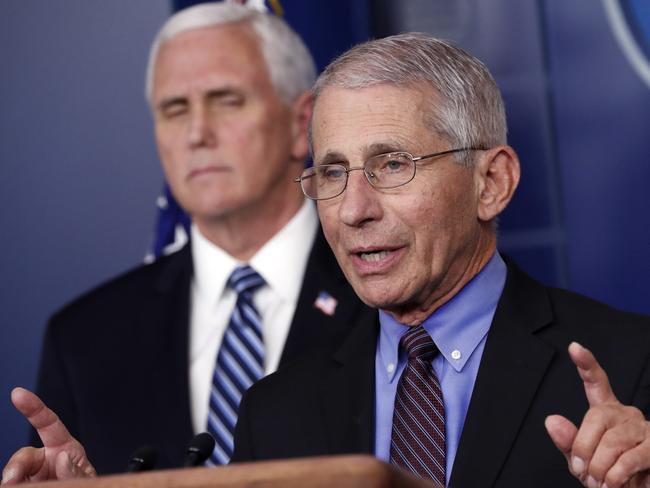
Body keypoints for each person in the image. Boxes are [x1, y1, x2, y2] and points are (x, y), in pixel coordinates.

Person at [230, 34, 650, 488]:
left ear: (491, 182)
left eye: (392, 165)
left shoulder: (634, 368)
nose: (354, 210)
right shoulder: (274, 414)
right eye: (333, 172)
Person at [1, 2, 371, 480]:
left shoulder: (387, 296)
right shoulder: (83, 339)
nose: (198, 133)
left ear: (302, 122)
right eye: (175, 109)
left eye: (227, 100)